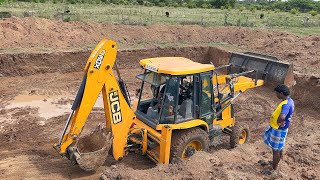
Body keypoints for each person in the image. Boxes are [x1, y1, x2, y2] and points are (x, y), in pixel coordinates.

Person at [262, 84, 295, 175]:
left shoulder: (286, 105)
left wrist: (279, 121)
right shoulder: (289, 100)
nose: (276, 95)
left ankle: (273, 169)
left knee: (275, 150)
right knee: (279, 148)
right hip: (281, 128)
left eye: (277, 93)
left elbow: (282, 116)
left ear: (281, 93)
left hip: (279, 130)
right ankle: (274, 162)